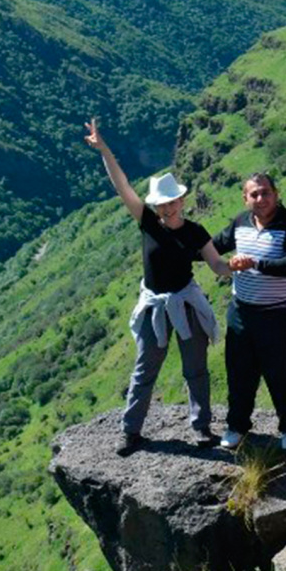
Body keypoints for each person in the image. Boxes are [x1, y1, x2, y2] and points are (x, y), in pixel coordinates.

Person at [85, 119, 229, 454]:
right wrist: (104, 149)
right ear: (156, 206)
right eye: (162, 203)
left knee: (196, 368)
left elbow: (216, 264)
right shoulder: (147, 222)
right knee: (145, 368)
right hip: (155, 306)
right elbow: (122, 185)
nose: (168, 207)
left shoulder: (195, 231)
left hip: (186, 302)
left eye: (172, 201)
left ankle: (201, 427)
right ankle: (131, 432)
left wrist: (236, 267)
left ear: (181, 200)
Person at [213, 174, 286, 451]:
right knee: (238, 371)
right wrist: (177, 235)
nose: (261, 199)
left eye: (265, 192)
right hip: (241, 311)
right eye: (254, 194)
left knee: (280, 372)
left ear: (276, 194)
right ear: (245, 199)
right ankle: (237, 425)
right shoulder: (239, 223)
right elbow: (212, 246)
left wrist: (254, 263)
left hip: (277, 313)